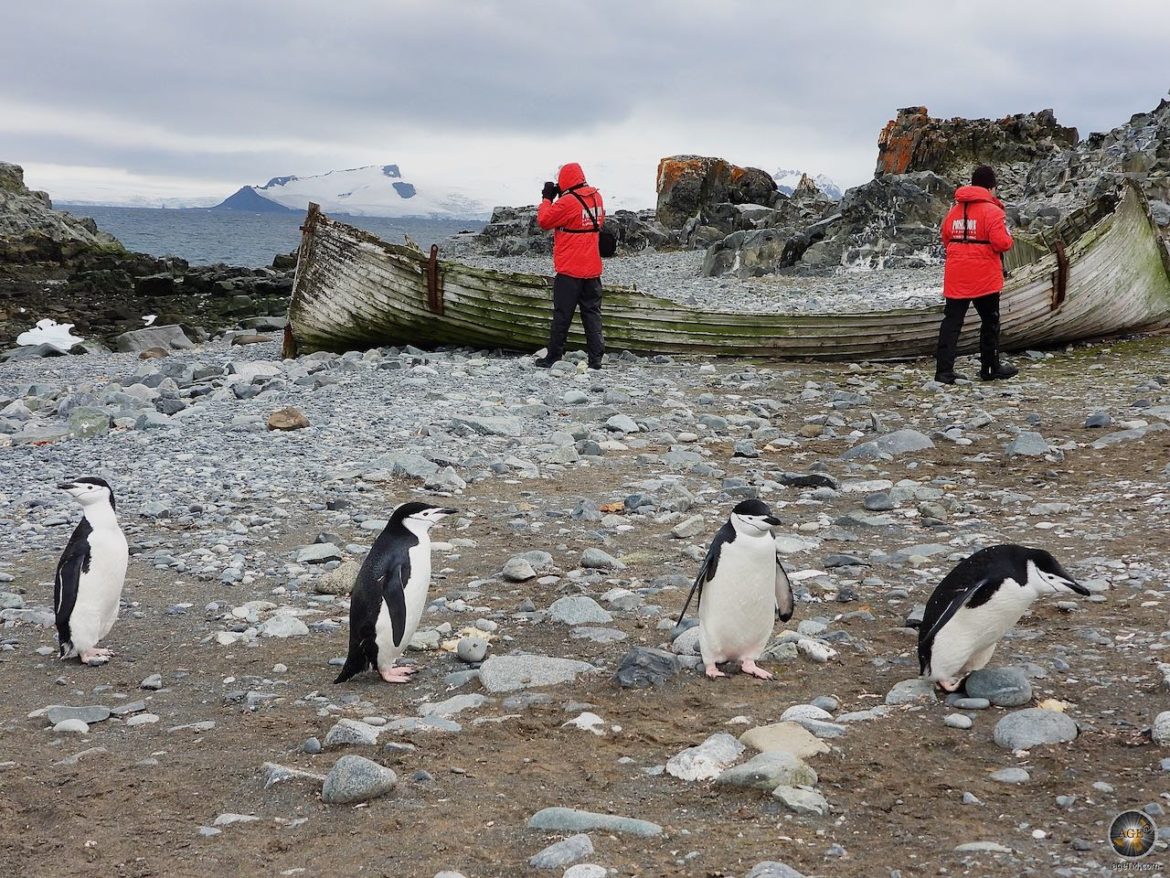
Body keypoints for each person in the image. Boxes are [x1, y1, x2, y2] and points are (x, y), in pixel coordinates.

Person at [934, 165, 1018, 384]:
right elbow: (1002, 243)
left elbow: (945, 237)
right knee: (990, 320)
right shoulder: (993, 211)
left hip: (957, 273)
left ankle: (943, 371)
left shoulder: (954, 210)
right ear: (991, 187)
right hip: (984, 275)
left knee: (952, 321)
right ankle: (990, 367)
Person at [534, 162, 605, 369]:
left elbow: (545, 221)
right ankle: (596, 359)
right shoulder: (596, 197)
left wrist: (547, 198)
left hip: (570, 269)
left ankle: (554, 356)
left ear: (565, 180)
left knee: (562, 314)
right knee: (592, 313)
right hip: (592, 268)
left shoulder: (568, 202)